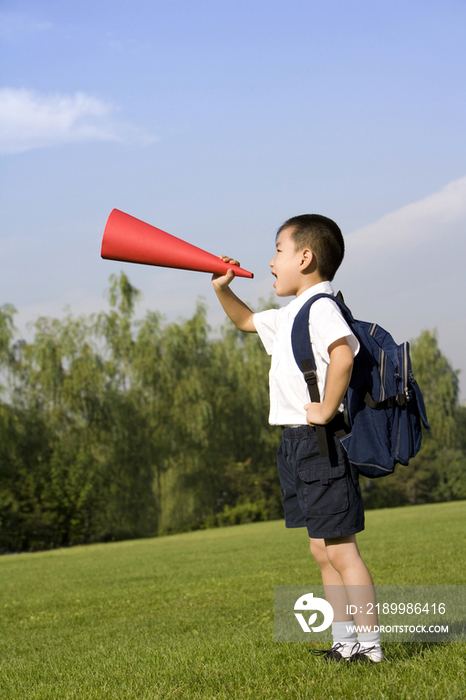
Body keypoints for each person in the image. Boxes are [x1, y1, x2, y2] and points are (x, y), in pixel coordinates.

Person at [212, 214, 384, 663]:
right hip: (296, 444)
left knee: (342, 549)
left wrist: (326, 409)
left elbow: (342, 355)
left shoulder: (320, 308)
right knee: (321, 549)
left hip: (319, 440)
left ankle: (370, 647)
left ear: (305, 257)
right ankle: (344, 644)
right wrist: (222, 289)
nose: (271, 262)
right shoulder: (290, 314)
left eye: (278, 252)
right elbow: (246, 322)